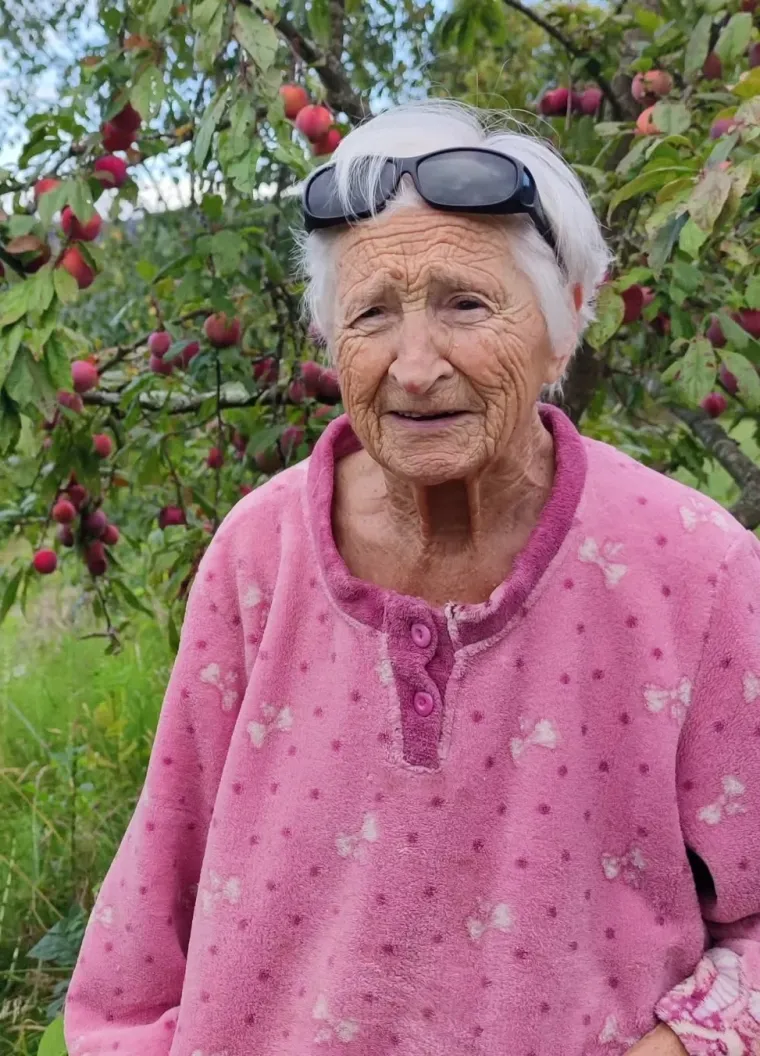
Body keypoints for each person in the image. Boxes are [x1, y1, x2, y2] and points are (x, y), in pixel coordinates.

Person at [64, 99, 760, 1056]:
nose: (416, 367)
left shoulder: (693, 567)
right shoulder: (259, 554)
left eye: (466, 304)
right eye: (372, 315)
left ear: (565, 324)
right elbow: (149, 920)